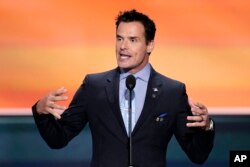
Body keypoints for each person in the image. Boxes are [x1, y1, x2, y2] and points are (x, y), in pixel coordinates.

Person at [32, 9, 214, 167]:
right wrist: (41, 111)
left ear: (150, 45)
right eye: (119, 38)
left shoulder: (172, 92)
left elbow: (197, 155)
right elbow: (58, 139)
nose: (123, 47)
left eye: (133, 40)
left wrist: (207, 127)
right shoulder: (94, 86)